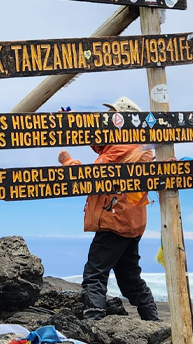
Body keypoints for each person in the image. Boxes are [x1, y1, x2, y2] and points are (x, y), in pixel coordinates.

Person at [59, 96, 160, 323]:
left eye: (111, 115)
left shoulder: (122, 148)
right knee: (129, 278)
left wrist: (67, 161)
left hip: (115, 219)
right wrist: (75, 124)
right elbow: (101, 145)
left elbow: (91, 177)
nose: (107, 120)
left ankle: (94, 321)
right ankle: (153, 322)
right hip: (131, 222)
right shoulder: (134, 145)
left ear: (121, 119)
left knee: (94, 273)